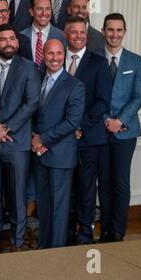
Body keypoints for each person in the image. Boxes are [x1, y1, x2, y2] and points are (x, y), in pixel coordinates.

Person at [0, 24, 40, 253]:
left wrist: (6, 127)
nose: (8, 42)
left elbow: (32, 103)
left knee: (17, 194)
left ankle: (17, 241)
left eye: (12, 38)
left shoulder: (29, 68)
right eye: (3, 39)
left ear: (17, 42)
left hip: (17, 141)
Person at [97, 13, 141, 243]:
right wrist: (107, 119)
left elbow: (138, 97)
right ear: (103, 31)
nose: (114, 34)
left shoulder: (136, 61)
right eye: (110, 29)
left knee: (120, 181)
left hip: (126, 131)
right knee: (104, 181)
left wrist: (119, 120)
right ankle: (105, 229)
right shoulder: (95, 59)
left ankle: (118, 231)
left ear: (124, 31)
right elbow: (91, 95)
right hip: (100, 129)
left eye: (118, 30)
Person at [64, 16, 112, 245]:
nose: (79, 36)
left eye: (82, 32)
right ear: (66, 34)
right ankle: (67, 233)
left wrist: (79, 124)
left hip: (89, 137)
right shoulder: (56, 58)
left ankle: (84, 233)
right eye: (74, 32)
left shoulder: (98, 62)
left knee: (85, 187)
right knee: (67, 188)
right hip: (62, 138)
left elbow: (103, 101)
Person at [32, 39, 85, 248]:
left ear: (64, 55)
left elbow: (72, 121)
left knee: (59, 208)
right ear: (43, 56)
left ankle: (56, 251)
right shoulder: (37, 79)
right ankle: (44, 248)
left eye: (59, 54)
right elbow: (33, 113)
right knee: (43, 205)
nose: (54, 58)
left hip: (61, 155)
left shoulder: (75, 85)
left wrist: (42, 139)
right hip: (40, 154)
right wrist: (33, 137)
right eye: (50, 54)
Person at [21, 0, 66, 68]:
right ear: (31, 12)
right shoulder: (21, 36)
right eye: (39, 9)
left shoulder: (61, 36)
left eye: (48, 9)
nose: (44, 13)